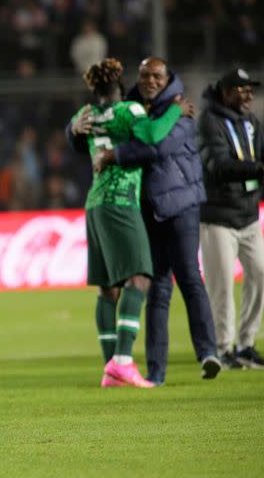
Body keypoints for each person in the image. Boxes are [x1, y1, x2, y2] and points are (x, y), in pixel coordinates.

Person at [73, 57, 220, 385]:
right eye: (143, 76)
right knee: (142, 279)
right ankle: (123, 362)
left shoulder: (86, 114)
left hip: (97, 202)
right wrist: (175, 111)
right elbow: (153, 136)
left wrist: (73, 130)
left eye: (156, 76)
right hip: (124, 203)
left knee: (110, 287)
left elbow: (77, 139)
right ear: (123, 82)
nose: (149, 81)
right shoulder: (131, 111)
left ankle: (115, 364)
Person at [197, 68, 264, 369]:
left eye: (251, 89)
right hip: (218, 218)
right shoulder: (209, 121)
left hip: (248, 215)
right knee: (221, 285)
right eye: (242, 90)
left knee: (261, 274)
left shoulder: (251, 122)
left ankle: (246, 344)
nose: (249, 95)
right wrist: (258, 169)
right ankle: (223, 349)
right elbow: (219, 166)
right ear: (226, 92)